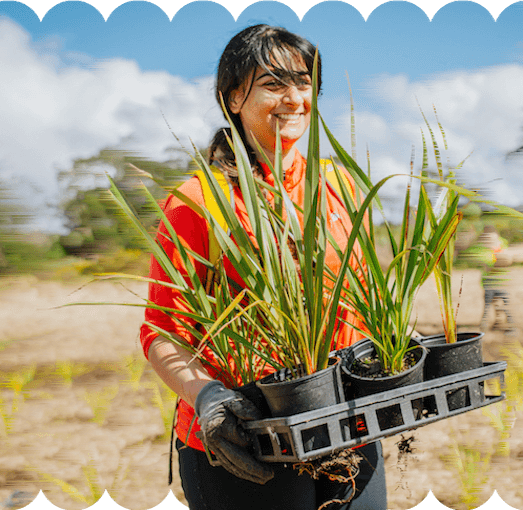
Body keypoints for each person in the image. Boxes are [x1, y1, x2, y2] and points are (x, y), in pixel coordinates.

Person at [139, 25, 386, 510]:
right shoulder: (200, 200)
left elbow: (362, 298)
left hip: (347, 425)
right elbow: (162, 332)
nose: (294, 99)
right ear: (233, 98)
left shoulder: (338, 186)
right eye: (273, 84)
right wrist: (207, 398)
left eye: (304, 83)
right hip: (246, 436)